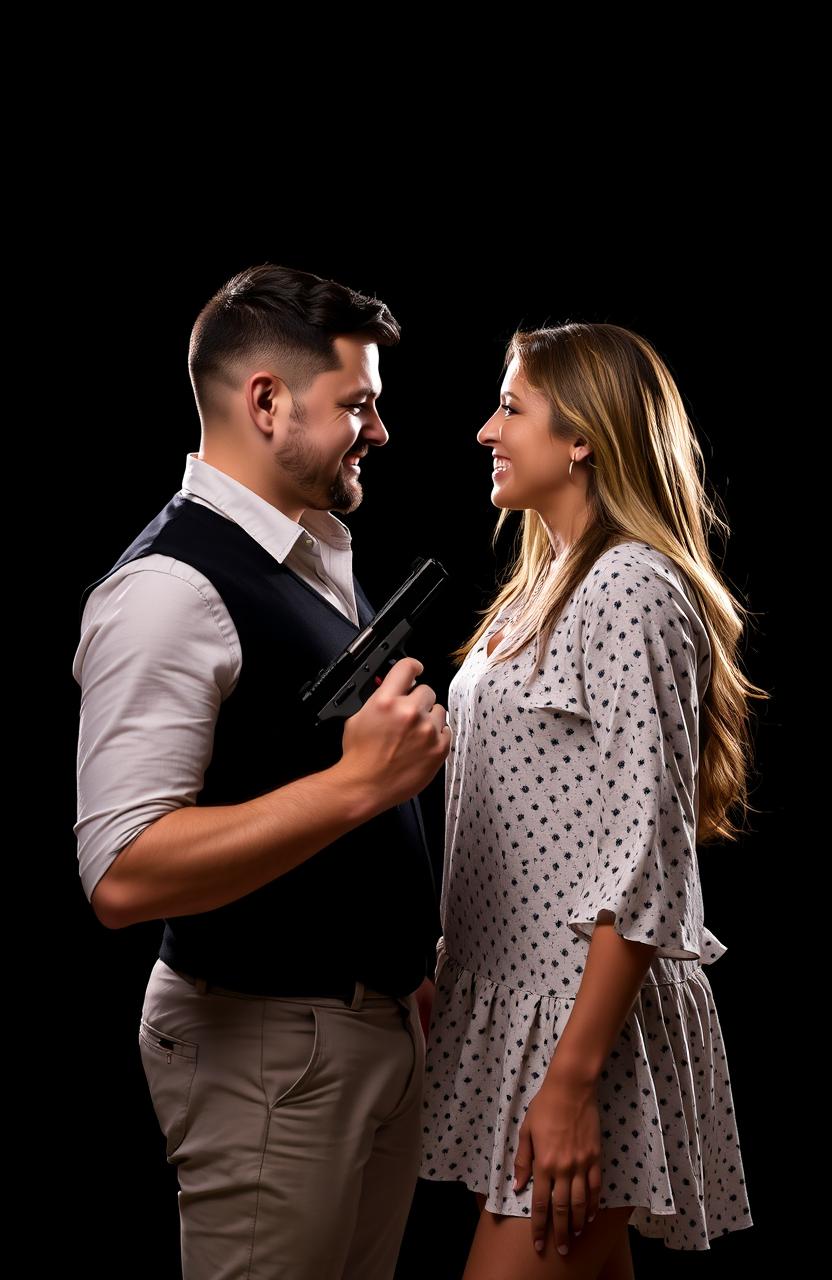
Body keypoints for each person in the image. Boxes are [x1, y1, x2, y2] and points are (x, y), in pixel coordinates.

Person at [72, 262, 451, 1280]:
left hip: (363, 1033)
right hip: (266, 1055)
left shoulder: (310, 546)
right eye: (358, 404)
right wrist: (356, 785)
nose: (380, 430)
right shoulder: (167, 589)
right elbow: (123, 870)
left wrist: (395, 962)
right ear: (267, 401)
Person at [418, 322, 759, 1278]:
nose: (488, 431)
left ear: (583, 439)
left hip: (577, 1031)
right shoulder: (546, 583)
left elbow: (644, 860)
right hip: (525, 1016)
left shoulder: (630, 590)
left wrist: (570, 1080)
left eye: (512, 408)